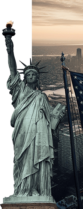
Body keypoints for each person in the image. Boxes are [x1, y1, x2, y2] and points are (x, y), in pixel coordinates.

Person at [5, 34, 54, 197]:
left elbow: (50, 121)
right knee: (22, 157)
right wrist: (9, 46)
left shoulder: (41, 97)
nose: (31, 76)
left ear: (37, 78)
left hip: (38, 132)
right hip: (23, 129)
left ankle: (33, 188)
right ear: (24, 78)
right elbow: (12, 70)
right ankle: (21, 189)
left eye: (34, 74)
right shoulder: (20, 91)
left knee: (36, 157)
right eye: (28, 75)